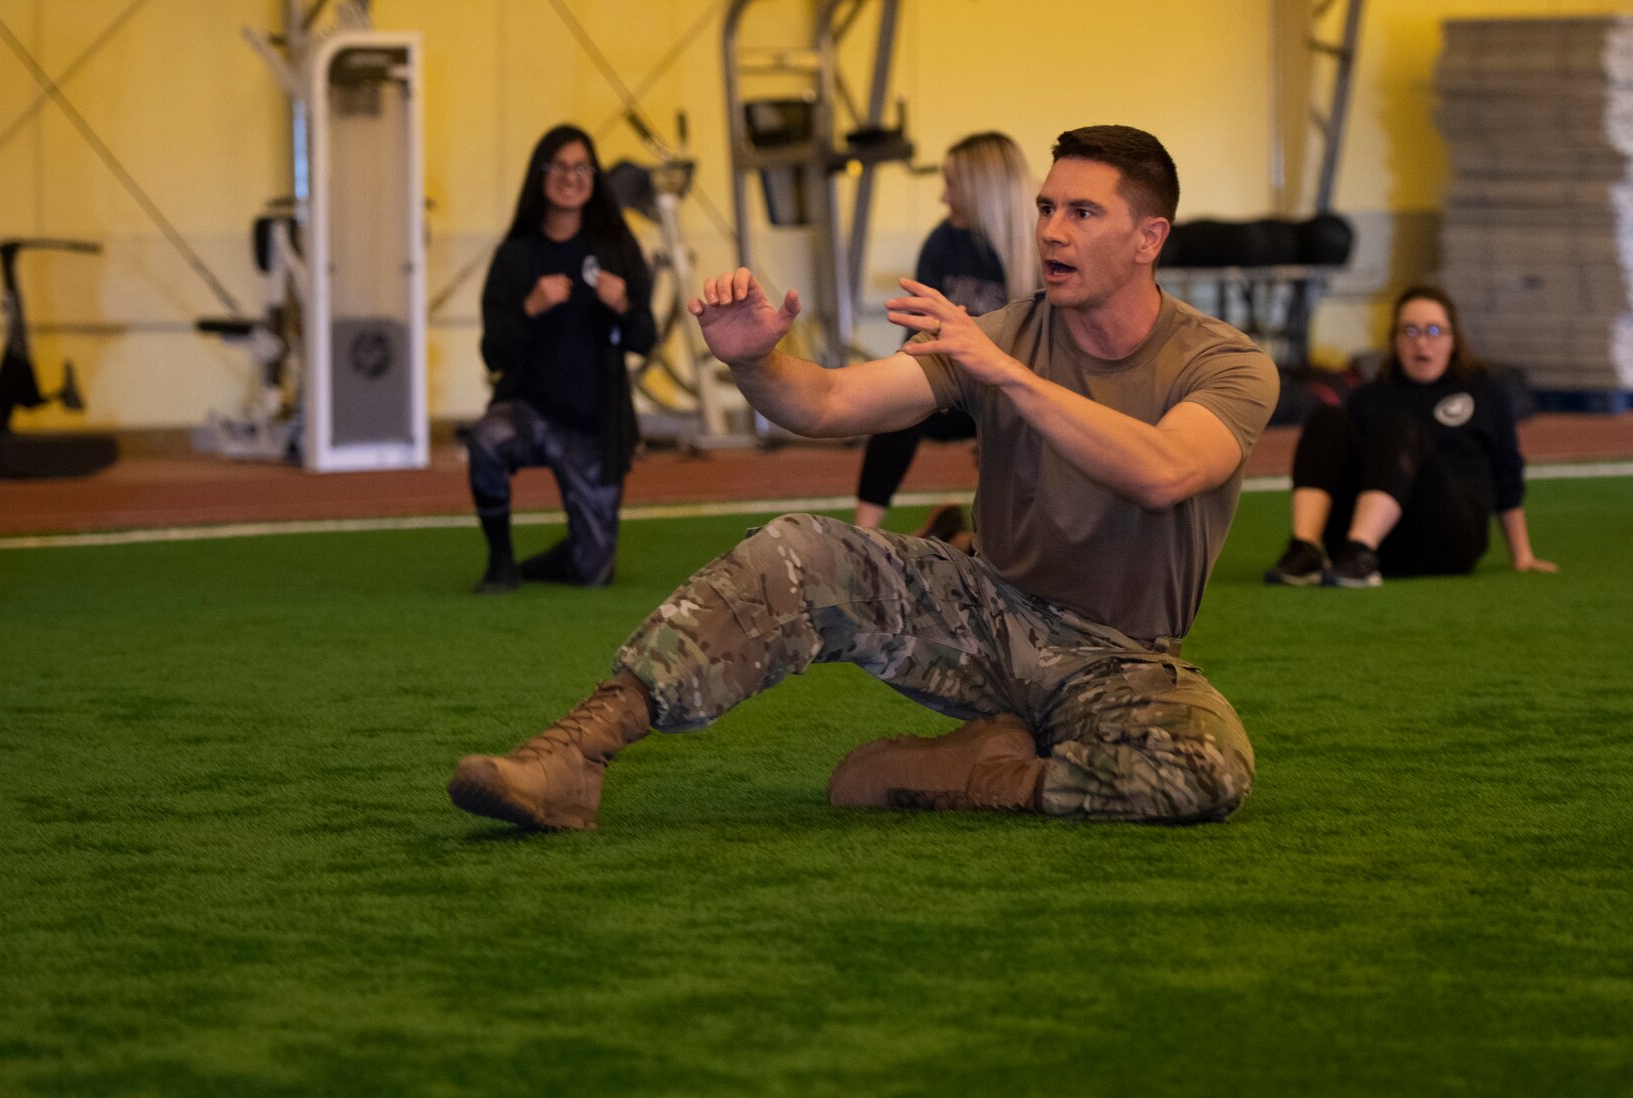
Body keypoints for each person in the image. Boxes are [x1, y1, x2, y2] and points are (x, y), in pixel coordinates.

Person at [446, 124, 1278, 832]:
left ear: (1149, 238)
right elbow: (834, 401)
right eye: (1047, 209)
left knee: (1206, 770)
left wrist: (1007, 374)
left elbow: (1166, 471)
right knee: (802, 550)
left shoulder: (1224, 363)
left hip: (1121, 658)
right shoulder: (1003, 332)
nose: (1053, 232)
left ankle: (980, 772)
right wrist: (756, 362)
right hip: (992, 616)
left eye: (1083, 213)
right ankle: (573, 757)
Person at [463, 124, 657, 594]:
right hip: (529, 412)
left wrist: (623, 305)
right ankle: (501, 561)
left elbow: (645, 340)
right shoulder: (514, 256)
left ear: (594, 178)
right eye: (559, 166)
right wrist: (529, 308)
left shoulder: (616, 250)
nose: (570, 177)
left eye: (581, 167)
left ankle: (559, 555)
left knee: (593, 575)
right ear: (540, 175)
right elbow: (493, 353)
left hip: (594, 424)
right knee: (488, 440)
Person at [1263, 285, 1554, 588]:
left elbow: (1507, 476)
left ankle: (1360, 551)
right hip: (1380, 540)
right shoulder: (1370, 397)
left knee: (1402, 428)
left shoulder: (1485, 393)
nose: (1422, 343)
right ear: (1395, 341)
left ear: (1453, 340)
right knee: (1328, 418)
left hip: (1449, 539)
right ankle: (1305, 550)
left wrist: (1522, 555)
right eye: (1410, 331)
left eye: (1433, 331)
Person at [852, 132, 1041, 534]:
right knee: (893, 408)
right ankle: (864, 538)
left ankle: (986, 536)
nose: (944, 197)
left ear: (981, 190)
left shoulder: (1039, 251)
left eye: (951, 184)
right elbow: (916, 342)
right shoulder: (942, 243)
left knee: (1022, 427)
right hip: (953, 390)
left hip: (1016, 392)